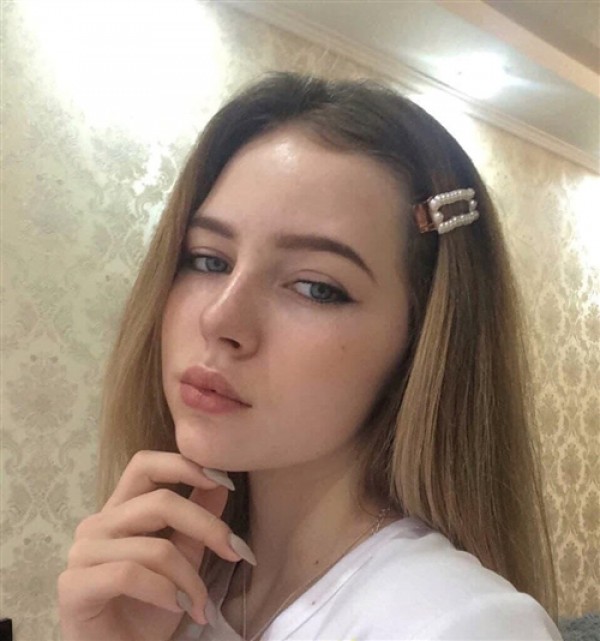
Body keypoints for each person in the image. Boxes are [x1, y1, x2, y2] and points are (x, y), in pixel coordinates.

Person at [58, 71, 563, 641]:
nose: (220, 319)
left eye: (315, 287)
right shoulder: (168, 587)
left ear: (421, 341)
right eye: (208, 260)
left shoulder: (460, 624)